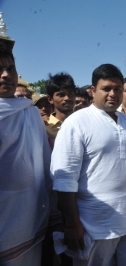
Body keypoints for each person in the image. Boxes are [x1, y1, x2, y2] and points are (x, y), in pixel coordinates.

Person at [51, 64, 126, 266]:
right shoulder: (77, 122)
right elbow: (64, 180)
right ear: (93, 90)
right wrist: (72, 223)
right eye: (106, 89)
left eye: (117, 89)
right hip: (95, 223)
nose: (112, 94)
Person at [0, 38, 51, 266]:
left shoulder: (29, 112)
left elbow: (44, 160)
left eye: (10, 68)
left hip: (28, 211)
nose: (5, 75)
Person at [45, 72, 76, 147]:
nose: (67, 98)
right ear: (50, 99)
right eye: (61, 95)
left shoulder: (82, 123)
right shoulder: (45, 128)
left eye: (70, 94)